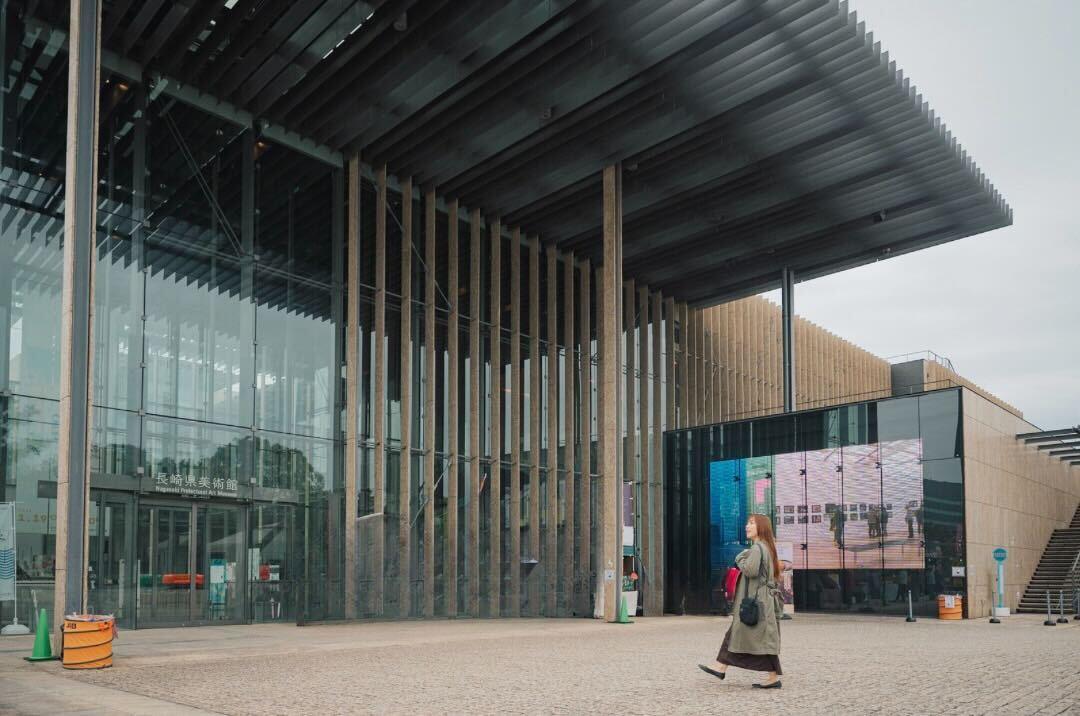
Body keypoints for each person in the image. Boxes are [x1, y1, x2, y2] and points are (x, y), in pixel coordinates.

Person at [698, 514, 783, 689]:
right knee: (747, 635)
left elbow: (750, 570)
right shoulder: (766, 547)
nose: (747, 526)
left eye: (751, 523)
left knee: (753, 637)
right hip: (761, 601)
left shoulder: (758, 548)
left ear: (761, 527)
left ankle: (723, 667)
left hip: (756, 602)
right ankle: (721, 666)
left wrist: (739, 558)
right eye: (748, 523)